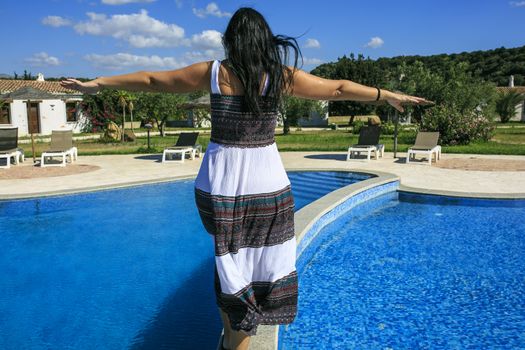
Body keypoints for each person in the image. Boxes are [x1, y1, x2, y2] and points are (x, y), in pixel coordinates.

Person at [61, 7, 428, 350]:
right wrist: (386, 95)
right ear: (264, 40)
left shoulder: (215, 72)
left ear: (231, 40)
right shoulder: (281, 77)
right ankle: (243, 320)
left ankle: (235, 326)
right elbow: (339, 88)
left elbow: (154, 79)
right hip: (267, 187)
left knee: (228, 258)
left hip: (220, 186)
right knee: (258, 259)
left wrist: (99, 83)